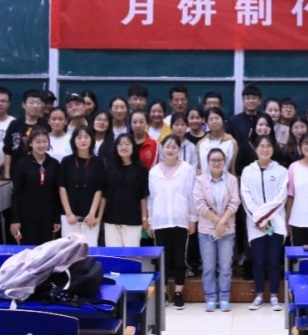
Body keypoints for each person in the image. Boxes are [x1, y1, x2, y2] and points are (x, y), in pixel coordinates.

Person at [148, 135, 197, 310]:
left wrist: (193, 218)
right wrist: (150, 221)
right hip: (160, 221)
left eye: (174, 147)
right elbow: (151, 198)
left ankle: (178, 292)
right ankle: (163, 292)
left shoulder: (187, 169)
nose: (170, 150)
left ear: (179, 149)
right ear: (161, 148)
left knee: (179, 258)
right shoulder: (154, 171)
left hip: (180, 220)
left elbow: (191, 195)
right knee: (163, 259)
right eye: (167, 146)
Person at [241, 134, 287, 311]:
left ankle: (274, 295)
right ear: (256, 149)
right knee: (258, 261)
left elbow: (281, 198)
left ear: (273, 149)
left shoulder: (281, 171)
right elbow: (246, 198)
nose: (265, 149)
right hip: (255, 225)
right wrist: (259, 220)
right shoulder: (248, 171)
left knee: (274, 261)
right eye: (261, 146)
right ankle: (259, 295)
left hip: (276, 223)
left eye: (268, 146)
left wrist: (264, 218)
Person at [194, 148, 240, 313]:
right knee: (209, 267)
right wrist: (217, 222)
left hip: (227, 229)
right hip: (207, 230)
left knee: (226, 266)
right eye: (213, 160)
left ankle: (224, 298)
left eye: (220, 160)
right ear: (208, 162)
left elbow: (235, 202)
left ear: (225, 162)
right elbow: (199, 205)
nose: (216, 163)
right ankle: (211, 298)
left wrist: (222, 222)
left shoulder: (232, 180)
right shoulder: (200, 180)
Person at [10, 127, 61, 245]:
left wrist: (57, 218)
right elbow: (16, 193)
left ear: (48, 143)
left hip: (48, 216)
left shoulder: (54, 164)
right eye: (38, 142)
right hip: (27, 216)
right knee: (29, 250)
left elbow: (56, 193)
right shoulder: (22, 164)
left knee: (46, 250)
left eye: (44, 141)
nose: (41, 145)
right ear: (31, 143)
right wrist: (15, 220)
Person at [100, 134, 150, 246]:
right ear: (116, 148)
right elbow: (104, 195)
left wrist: (144, 218)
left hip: (133, 220)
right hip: (111, 219)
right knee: (113, 254)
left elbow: (143, 197)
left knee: (131, 254)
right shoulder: (109, 168)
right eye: (120, 144)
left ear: (133, 147)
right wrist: (99, 217)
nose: (124, 147)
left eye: (127, 144)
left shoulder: (141, 170)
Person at [60, 126, 103, 245]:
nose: (83, 140)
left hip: (90, 217)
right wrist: (69, 213)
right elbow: (62, 188)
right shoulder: (66, 161)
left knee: (90, 249)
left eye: (86, 137)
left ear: (92, 139)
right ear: (73, 140)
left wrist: (92, 213)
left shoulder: (98, 162)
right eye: (79, 137)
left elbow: (99, 189)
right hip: (69, 216)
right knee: (69, 250)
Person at [3, 89, 49, 178]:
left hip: (39, 173)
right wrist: (7, 174)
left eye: (38, 103)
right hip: (16, 173)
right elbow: (7, 151)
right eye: (31, 102)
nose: (35, 106)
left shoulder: (45, 124)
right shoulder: (15, 124)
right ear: (24, 105)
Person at [229, 84, 263, 160]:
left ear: (259, 101)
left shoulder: (264, 119)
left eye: (254, 98)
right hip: (239, 161)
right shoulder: (234, 121)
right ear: (243, 101)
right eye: (247, 98)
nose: (251, 101)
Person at [198, 107, 237, 172]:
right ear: (207, 123)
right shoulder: (201, 143)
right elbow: (199, 168)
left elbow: (232, 168)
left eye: (217, 118)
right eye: (211, 119)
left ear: (223, 120)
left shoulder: (232, 142)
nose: (214, 122)